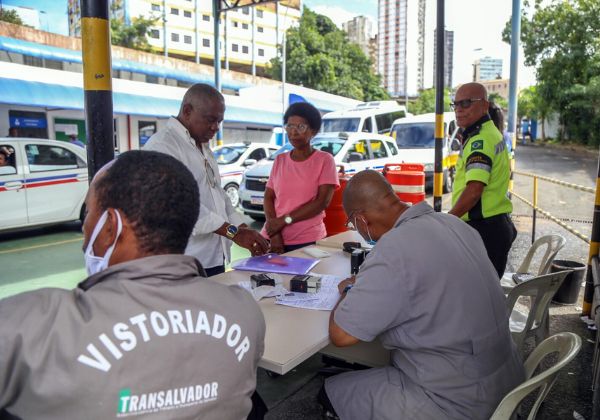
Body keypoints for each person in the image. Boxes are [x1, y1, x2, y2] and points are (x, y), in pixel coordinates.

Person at [0, 150, 266, 419]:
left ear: (110, 226)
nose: (84, 231)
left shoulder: (31, 326)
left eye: (88, 214)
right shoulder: (245, 312)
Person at [321, 170, 524, 420]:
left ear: (361, 220)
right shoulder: (454, 224)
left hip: (457, 402)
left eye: (352, 225)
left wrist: (350, 288)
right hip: (508, 383)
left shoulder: (393, 248)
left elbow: (341, 334)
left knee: (330, 391)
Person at [144, 83, 269, 276]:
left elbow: (219, 195)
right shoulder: (163, 146)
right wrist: (234, 233)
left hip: (213, 258)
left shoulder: (202, 145)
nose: (215, 128)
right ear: (187, 111)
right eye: (210, 120)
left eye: (219, 121)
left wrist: (244, 230)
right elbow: (181, 206)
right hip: (182, 262)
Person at [449, 82, 516, 277]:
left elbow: (474, 190)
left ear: (484, 105)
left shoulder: (481, 140)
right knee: (482, 294)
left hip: (484, 230)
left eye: (467, 103)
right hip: (491, 227)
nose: (459, 110)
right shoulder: (487, 133)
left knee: (478, 297)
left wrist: (448, 220)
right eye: (456, 104)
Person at [262, 102, 339, 253]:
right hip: (273, 237)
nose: (294, 132)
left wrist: (284, 221)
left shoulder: (324, 160)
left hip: (307, 241)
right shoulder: (280, 160)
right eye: (290, 126)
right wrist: (275, 232)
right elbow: (268, 197)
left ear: (314, 131)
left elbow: (322, 202)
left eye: (301, 127)